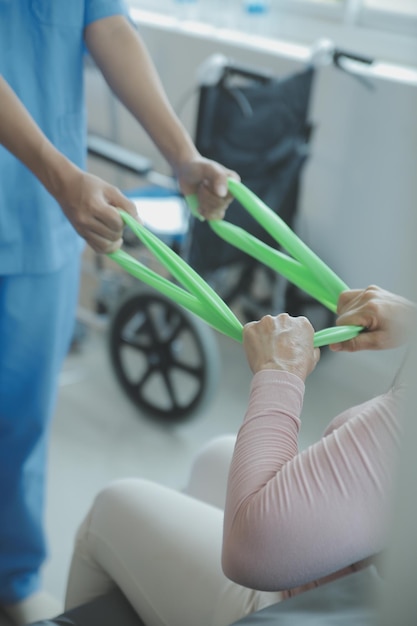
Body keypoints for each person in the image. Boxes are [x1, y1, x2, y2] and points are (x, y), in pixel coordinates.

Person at [0, 3, 238, 623]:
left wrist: (183, 156)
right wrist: (60, 175)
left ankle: (10, 575)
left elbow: (105, 25)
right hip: (49, 183)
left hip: (35, 219)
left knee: (20, 417)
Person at [59, 285, 415, 626]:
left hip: (317, 611)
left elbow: (251, 553)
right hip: (365, 569)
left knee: (112, 504)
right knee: (213, 459)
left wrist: (280, 372)